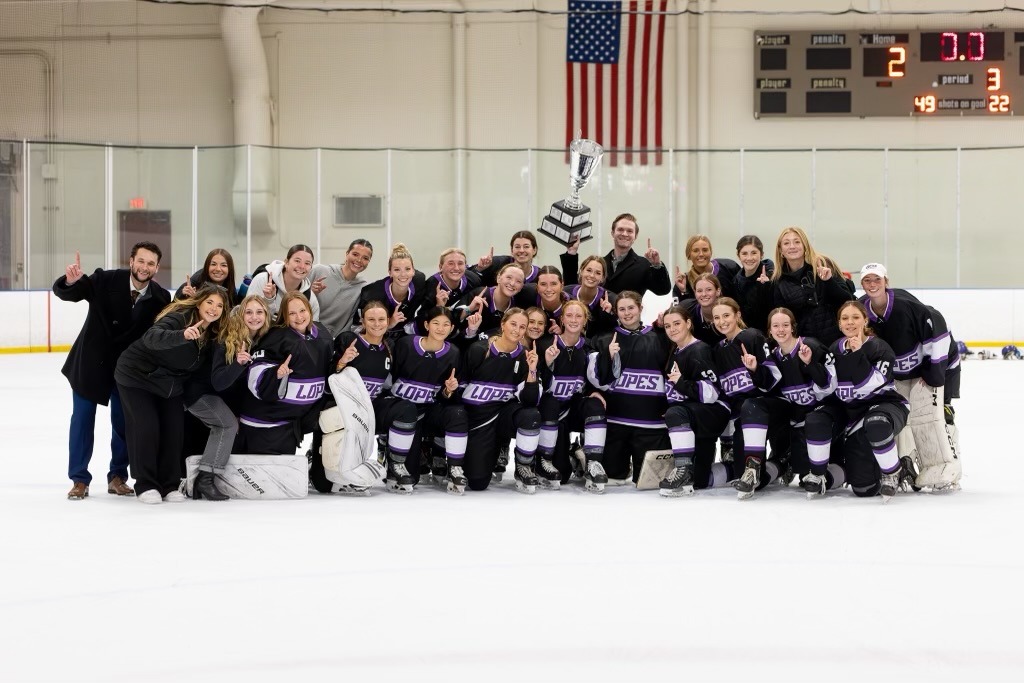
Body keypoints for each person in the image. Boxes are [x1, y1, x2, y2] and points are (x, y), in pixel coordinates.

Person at [53, 242, 170, 500]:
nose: (144, 267)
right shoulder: (106, 279)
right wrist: (71, 282)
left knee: (124, 423)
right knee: (82, 421)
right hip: (91, 364)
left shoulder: (160, 297)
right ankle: (79, 479)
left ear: (157, 268)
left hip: (127, 370)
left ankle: (117, 476)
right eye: (141, 261)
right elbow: (72, 292)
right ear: (131, 261)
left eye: (151, 263)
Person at [114, 284, 228, 504]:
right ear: (199, 302)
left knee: (174, 430)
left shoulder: (214, 331)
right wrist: (182, 335)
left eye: (219, 305)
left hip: (170, 382)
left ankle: (169, 484)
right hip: (138, 376)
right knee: (146, 427)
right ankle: (146, 484)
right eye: (210, 302)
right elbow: (151, 337)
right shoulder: (181, 317)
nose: (214, 309)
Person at [858, 263, 961, 490]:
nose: (872, 284)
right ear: (862, 284)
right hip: (900, 375)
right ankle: (905, 462)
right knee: (901, 418)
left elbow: (939, 331)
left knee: (930, 415)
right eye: (867, 280)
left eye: (877, 279)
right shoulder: (861, 311)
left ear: (886, 281)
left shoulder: (907, 305)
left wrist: (934, 373)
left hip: (935, 367)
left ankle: (944, 469)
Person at [812, 301, 910, 501]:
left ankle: (893, 472)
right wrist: (811, 367)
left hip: (885, 406)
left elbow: (869, 386)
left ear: (865, 320)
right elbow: (827, 389)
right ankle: (820, 474)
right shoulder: (835, 348)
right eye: (845, 318)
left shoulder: (879, 348)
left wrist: (857, 355)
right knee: (864, 489)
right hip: (853, 414)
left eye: (856, 317)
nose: (850, 323)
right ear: (839, 324)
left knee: (876, 423)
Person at [752, 307, 845, 498]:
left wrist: (810, 364)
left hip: (825, 418)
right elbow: (769, 388)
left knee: (809, 476)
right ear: (769, 330)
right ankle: (783, 460)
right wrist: (755, 370)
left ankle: (840, 468)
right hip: (798, 421)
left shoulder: (812, 346)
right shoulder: (773, 357)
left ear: (793, 327)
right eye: (775, 326)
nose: (781, 330)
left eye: (785, 325)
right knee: (803, 476)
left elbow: (829, 386)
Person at [190, 295, 274, 500]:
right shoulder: (227, 338)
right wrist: (238, 363)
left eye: (259, 312)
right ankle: (205, 480)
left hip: (220, 397)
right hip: (199, 393)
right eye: (249, 312)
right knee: (227, 425)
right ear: (241, 314)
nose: (254, 317)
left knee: (232, 423)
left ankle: (206, 479)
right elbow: (219, 382)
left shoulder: (260, 339)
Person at [309, 301, 394, 494]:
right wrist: (342, 362)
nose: (376, 324)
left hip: (367, 414)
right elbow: (329, 380)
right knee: (324, 485)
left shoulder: (390, 347)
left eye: (381, 319)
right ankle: (315, 456)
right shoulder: (349, 340)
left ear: (388, 322)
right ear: (362, 321)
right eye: (371, 319)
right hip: (338, 412)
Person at [587, 291, 672, 484]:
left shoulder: (661, 337)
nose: (627, 313)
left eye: (631, 308)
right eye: (622, 309)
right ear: (615, 312)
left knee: (650, 483)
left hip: (651, 425)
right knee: (612, 477)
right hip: (616, 424)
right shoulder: (604, 339)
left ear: (641, 308)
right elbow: (593, 378)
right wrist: (606, 358)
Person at [382, 306, 469, 494]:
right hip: (403, 413)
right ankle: (392, 457)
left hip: (428, 413)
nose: (440, 328)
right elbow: (388, 380)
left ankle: (455, 467)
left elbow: (444, 397)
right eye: (436, 323)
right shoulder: (405, 345)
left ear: (452, 328)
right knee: (411, 477)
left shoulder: (453, 353)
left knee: (457, 413)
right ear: (426, 325)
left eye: (446, 324)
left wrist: (448, 390)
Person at [455, 308, 542, 493]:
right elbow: (460, 390)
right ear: (502, 325)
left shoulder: (525, 356)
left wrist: (532, 371)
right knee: (477, 482)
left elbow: (530, 401)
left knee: (531, 415)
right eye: (513, 324)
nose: (517, 330)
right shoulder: (479, 350)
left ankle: (523, 466)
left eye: (522, 327)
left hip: (503, 417)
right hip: (478, 421)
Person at [235, 292, 333, 456]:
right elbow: (255, 375)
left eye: (302, 311)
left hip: (292, 424)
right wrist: (275, 374)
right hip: (264, 423)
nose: (299, 317)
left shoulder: (324, 335)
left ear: (310, 310)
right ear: (285, 316)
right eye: (292, 313)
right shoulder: (276, 337)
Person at [709, 297, 787, 499]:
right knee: (743, 476)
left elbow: (773, 381)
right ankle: (781, 464)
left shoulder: (753, 337)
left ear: (738, 315)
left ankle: (771, 464)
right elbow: (727, 393)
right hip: (745, 416)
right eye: (716, 317)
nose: (721, 321)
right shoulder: (718, 349)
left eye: (726, 315)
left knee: (751, 406)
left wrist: (754, 369)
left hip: (769, 407)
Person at [534, 299, 608, 492]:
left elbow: (591, 379)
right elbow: (536, 384)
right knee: (563, 475)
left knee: (595, 405)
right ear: (562, 319)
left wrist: (594, 392)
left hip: (572, 408)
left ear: (585, 320)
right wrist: (548, 364)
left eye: (579, 316)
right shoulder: (544, 345)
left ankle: (593, 463)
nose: (574, 320)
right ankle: (545, 460)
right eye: (569, 315)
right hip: (550, 414)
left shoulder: (589, 348)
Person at [659, 305, 731, 496]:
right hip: (695, 416)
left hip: (713, 413)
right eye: (667, 326)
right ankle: (742, 468)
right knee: (700, 481)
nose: (672, 329)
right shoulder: (676, 351)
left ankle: (683, 469)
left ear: (689, 323)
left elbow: (712, 393)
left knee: (676, 413)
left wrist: (682, 384)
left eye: (677, 324)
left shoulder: (699, 350)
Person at [768, 227, 854, 346]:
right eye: (787, 243)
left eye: (797, 242)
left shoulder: (823, 264)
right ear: (781, 251)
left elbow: (846, 300)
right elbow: (782, 319)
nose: (792, 246)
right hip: (807, 346)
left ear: (805, 246)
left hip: (837, 341)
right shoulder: (778, 281)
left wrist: (828, 281)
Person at [560, 213, 671, 296]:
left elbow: (662, 290)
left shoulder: (644, 265)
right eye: (620, 229)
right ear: (612, 233)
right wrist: (571, 253)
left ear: (635, 236)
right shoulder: (599, 264)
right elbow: (572, 287)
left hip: (626, 323)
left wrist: (656, 265)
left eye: (630, 231)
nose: (624, 234)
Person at [352, 243, 426, 343]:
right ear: (390, 272)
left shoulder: (419, 281)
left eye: (407, 269)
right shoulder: (371, 294)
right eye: (397, 270)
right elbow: (357, 329)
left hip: (405, 335)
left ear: (413, 271)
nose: (403, 274)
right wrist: (389, 323)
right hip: (377, 337)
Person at [309, 238, 373, 337]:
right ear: (347, 253)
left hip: (335, 341)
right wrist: (310, 293)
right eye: (355, 254)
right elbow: (294, 297)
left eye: (365, 258)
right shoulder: (319, 271)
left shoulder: (363, 289)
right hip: (307, 331)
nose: (359, 260)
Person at [247, 244, 322, 320]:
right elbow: (249, 317)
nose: (302, 266)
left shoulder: (309, 298)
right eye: (297, 261)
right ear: (286, 262)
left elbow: (313, 328)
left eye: (307, 263)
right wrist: (269, 300)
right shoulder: (262, 280)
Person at [458, 263, 528, 343]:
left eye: (518, 281)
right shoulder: (479, 295)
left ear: (521, 287)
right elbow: (452, 320)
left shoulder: (517, 308)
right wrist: (469, 309)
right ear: (498, 278)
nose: (512, 283)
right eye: (509, 277)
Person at [672, 234, 740, 302]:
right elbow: (680, 310)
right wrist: (684, 292)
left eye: (705, 250)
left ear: (711, 252)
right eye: (696, 251)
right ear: (689, 255)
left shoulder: (729, 267)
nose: (701, 254)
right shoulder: (683, 282)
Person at [565, 255, 619, 337]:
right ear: (581, 271)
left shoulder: (612, 300)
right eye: (589, 270)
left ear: (603, 277)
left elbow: (612, 333)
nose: (592, 275)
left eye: (598, 273)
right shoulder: (565, 293)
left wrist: (607, 315)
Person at [732, 235, 774, 333]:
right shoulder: (736, 282)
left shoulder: (772, 276)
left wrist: (766, 287)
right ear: (738, 256)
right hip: (748, 334)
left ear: (762, 254)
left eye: (754, 253)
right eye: (744, 254)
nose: (749, 258)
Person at [175, 248, 240, 309]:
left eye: (223, 265)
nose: (218, 269)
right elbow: (173, 307)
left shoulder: (229, 285)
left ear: (230, 269)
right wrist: (187, 299)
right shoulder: (194, 283)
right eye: (213, 264)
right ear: (207, 266)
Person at [472, 230, 542, 285]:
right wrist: (480, 269)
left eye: (526, 247)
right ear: (512, 250)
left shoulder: (540, 275)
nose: (521, 250)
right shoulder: (497, 264)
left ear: (534, 250)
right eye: (517, 247)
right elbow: (469, 278)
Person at [678, 273, 726, 346]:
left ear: (718, 291)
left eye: (709, 290)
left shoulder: (728, 311)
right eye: (699, 291)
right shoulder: (685, 308)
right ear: (695, 293)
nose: (704, 294)